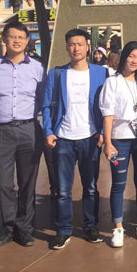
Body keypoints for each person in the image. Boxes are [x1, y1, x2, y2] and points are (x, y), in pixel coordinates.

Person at [42, 29, 107, 250]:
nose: (76, 48)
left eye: (80, 44)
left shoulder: (101, 73)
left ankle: (90, 226)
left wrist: (103, 131)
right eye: (71, 44)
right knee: (62, 190)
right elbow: (46, 104)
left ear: (88, 46)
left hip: (90, 138)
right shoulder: (57, 73)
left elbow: (108, 104)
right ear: (66, 47)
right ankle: (63, 230)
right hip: (64, 139)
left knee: (91, 187)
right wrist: (48, 131)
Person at [0, 22, 45, 247]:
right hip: (1, 132)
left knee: (28, 182)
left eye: (21, 37)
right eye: (12, 36)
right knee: (3, 182)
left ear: (27, 41)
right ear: (5, 40)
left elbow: (41, 98)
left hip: (29, 130)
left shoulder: (38, 68)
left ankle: (25, 229)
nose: (17, 41)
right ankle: (8, 227)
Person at [100, 41, 137, 247]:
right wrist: (108, 142)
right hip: (119, 140)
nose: (135, 61)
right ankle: (118, 227)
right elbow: (107, 114)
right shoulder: (112, 82)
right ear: (124, 57)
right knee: (118, 184)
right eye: (132, 56)